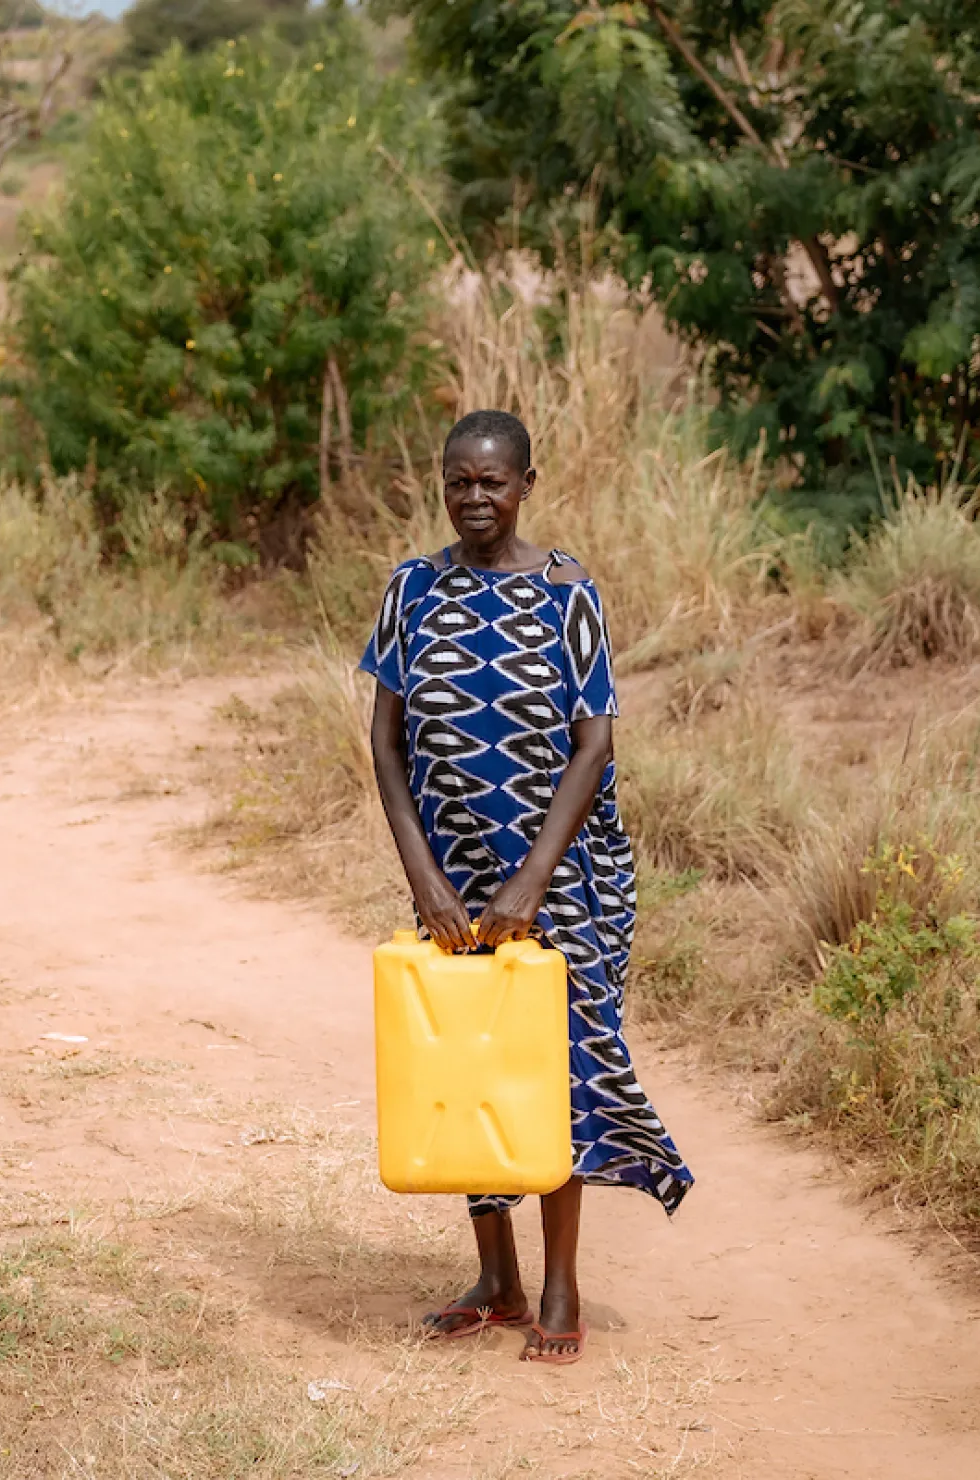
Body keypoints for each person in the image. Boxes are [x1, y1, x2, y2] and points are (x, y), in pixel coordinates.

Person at [361, 408, 693, 1365]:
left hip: (564, 877)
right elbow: (385, 743)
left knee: (554, 1072)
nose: (475, 498)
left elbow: (595, 744)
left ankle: (559, 1285)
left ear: (526, 485)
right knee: (465, 1070)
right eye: (458, 480)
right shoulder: (411, 591)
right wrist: (427, 879)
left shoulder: (567, 594)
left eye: (493, 482)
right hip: (454, 876)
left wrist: (530, 887)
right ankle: (495, 1279)